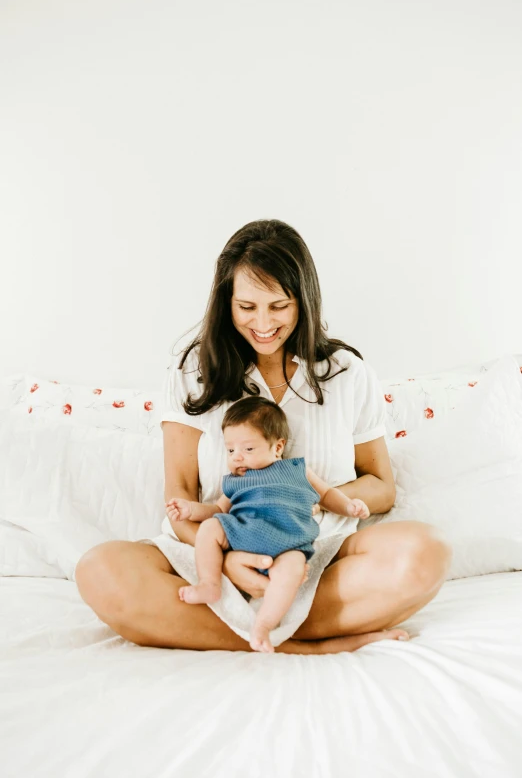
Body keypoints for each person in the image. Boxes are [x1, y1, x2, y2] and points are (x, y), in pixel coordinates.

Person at [75, 218, 453, 655]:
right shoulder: (194, 369)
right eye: (247, 307)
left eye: (279, 306)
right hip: (219, 551)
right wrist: (224, 559)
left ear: (304, 301)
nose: (264, 323)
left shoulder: (347, 373)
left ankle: (256, 630)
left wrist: (310, 499)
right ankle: (308, 643)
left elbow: (381, 486)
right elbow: (178, 494)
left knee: (427, 552)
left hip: (318, 554)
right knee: (100, 570)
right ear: (226, 303)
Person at [167, 395, 371, 653]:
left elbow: (327, 495)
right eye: (231, 450)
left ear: (277, 448)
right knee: (210, 527)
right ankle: (209, 583)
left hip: (288, 542)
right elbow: (216, 510)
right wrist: (190, 509)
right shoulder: (234, 481)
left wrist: (349, 506)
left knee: (293, 569)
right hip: (243, 533)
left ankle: (264, 625)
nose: (237, 457)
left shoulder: (297, 470)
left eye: (248, 449)